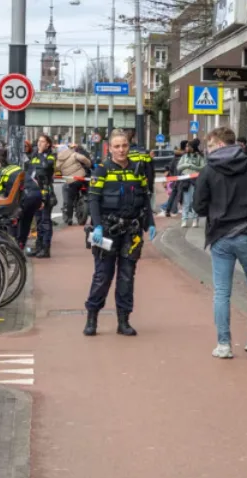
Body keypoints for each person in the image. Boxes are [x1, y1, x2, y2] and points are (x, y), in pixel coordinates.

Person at [192, 127, 247, 359]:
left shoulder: (208, 170)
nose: (207, 150)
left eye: (209, 145)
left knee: (221, 292)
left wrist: (216, 210)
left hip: (220, 236)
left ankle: (224, 345)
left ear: (219, 144)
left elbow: (198, 206)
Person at [84, 129, 157, 337]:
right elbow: (93, 200)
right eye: (117, 146)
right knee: (102, 276)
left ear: (129, 146)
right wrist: (97, 225)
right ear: (110, 148)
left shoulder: (138, 169)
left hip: (131, 232)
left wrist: (149, 223)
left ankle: (123, 321)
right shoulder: (102, 170)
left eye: (124, 145)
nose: (121, 150)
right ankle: (92, 318)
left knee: (126, 277)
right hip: (106, 230)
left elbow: (144, 199)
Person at [26, 135, 57, 258]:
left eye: (42, 141)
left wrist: (39, 154)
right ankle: (38, 246)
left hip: (45, 192)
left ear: (48, 144)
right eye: (38, 141)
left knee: (45, 221)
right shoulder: (34, 156)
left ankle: (45, 248)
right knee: (38, 221)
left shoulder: (50, 157)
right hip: (34, 192)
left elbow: (44, 170)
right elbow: (30, 171)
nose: (39, 143)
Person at [57, 142, 92, 224]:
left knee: (69, 198)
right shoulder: (73, 154)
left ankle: (68, 217)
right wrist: (89, 164)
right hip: (82, 177)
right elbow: (83, 159)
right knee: (89, 192)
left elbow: (57, 170)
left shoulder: (58, 161)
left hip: (71, 181)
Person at [176, 138, 204, 228]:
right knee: (186, 201)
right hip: (186, 181)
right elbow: (178, 167)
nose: (186, 148)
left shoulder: (199, 156)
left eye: (188, 146)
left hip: (196, 181)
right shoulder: (184, 157)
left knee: (195, 201)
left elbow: (203, 167)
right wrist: (187, 165)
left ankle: (195, 220)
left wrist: (194, 167)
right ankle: (184, 220)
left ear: (193, 147)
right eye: (187, 146)